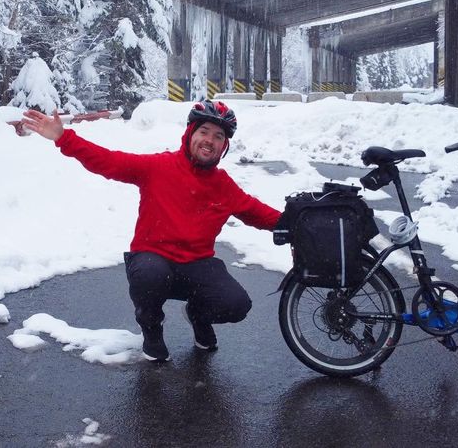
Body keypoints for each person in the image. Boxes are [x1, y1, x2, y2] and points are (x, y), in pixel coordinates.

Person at [22, 100, 281, 362]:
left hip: (197, 264)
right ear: (190, 133)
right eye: (204, 132)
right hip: (152, 259)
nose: (209, 141)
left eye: (218, 136)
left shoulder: (224, 187)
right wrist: (64, 138)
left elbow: (259, 213)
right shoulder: (158, 167)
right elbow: (108, 161)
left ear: (224, 146)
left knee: (236, 305)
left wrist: (298, 219)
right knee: (150, 274)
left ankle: (198, 315)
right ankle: (152, 328)